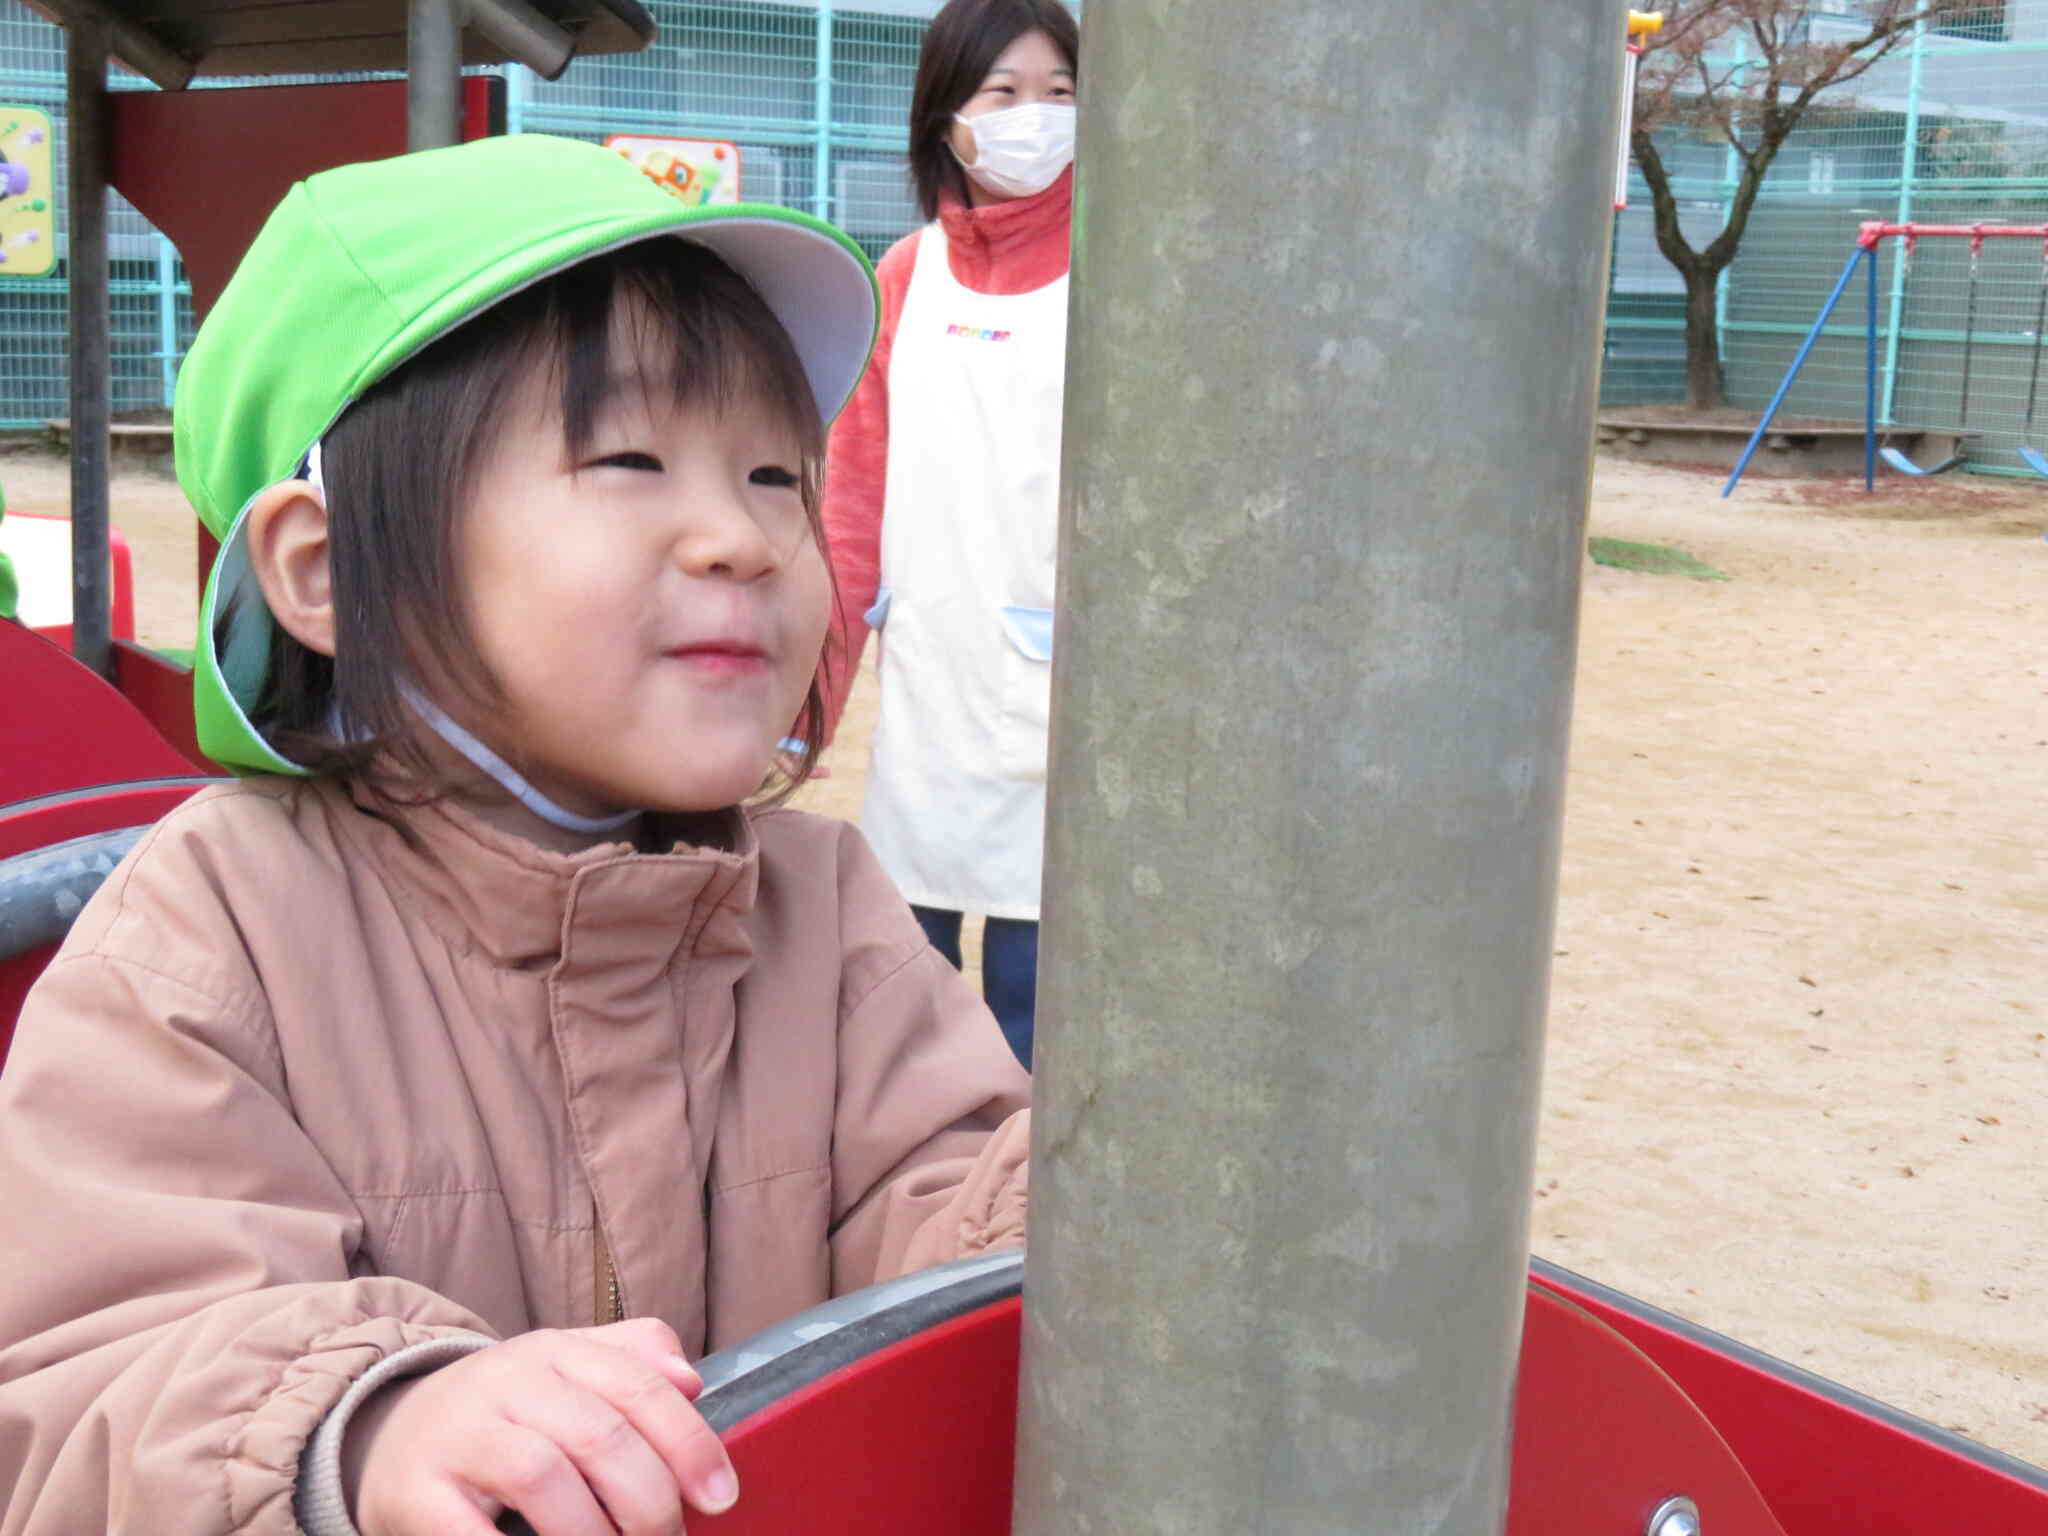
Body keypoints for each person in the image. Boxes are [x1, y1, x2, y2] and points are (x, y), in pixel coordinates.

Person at [0, 134, 1031, 1536]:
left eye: (775, 477)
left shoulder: (818, 902)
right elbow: (92, 1374)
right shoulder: (214, 929)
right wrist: (367, 1425)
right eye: (629, 458)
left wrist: (1080, 1216)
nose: (739, 540)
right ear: (327, 574)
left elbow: (948, 1212)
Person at [816, 0, 1080, 1073]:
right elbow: (848, 508)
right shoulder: (900, 278)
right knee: (902, 1018)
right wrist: (807, 706)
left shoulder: (1129, 273)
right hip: (930, 701)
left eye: (1061, 95)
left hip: (1074, 715)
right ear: (945, 116)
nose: (1034, 118)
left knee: (1041, 1025)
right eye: (1003, 94)